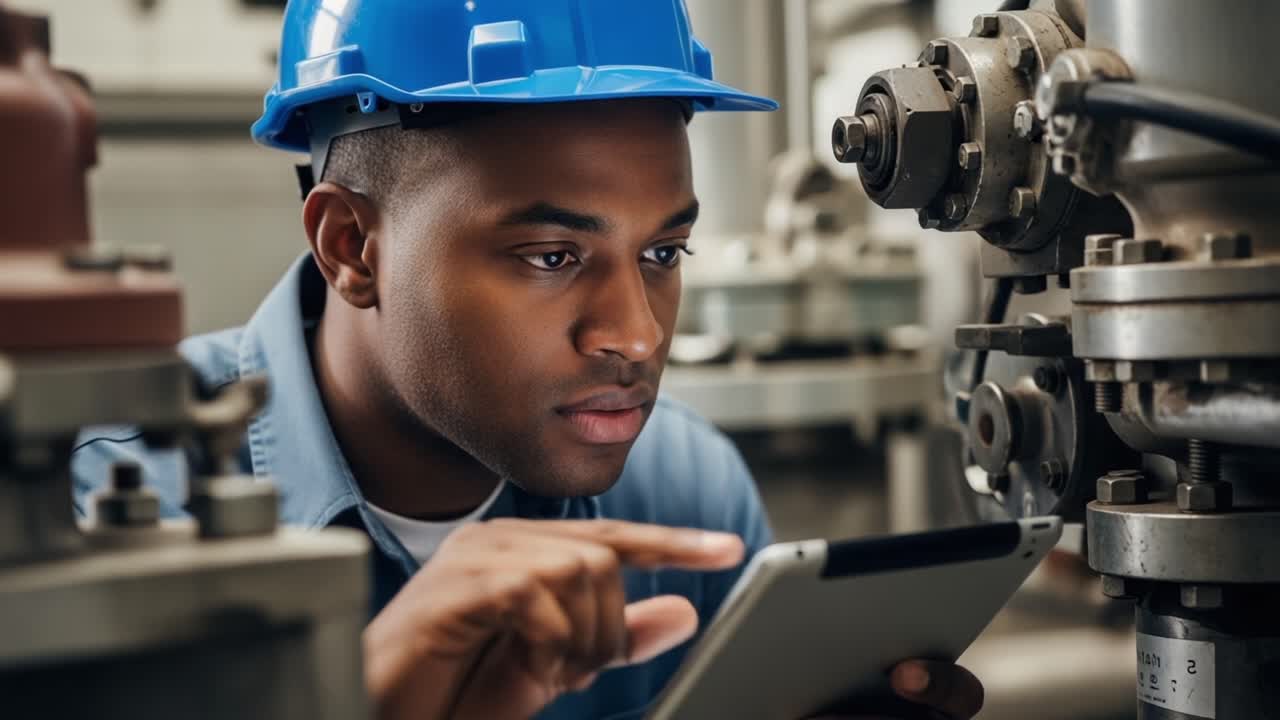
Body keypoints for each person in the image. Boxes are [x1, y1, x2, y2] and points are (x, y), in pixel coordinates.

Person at [73, 2, 984, 718]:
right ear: (353, 247)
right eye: (551, 257)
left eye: (663, 253)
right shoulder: (108, 511)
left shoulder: (684, 492)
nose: (636, 335)